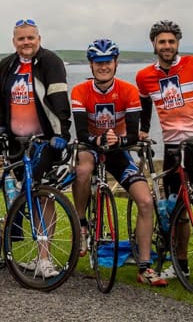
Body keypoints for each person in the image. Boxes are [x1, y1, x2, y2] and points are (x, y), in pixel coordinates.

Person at [70, 39, 166, 287]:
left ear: (116, 63)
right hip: (90, 147)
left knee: (145, 201)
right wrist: (98, 138)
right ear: (91, 65)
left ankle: (145, 267)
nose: (103, 67)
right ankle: (81, 224)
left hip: (118, 150)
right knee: (82, 170)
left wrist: (119, 139)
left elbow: (134, 134)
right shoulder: (80, 91)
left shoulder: (128, 90)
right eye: (98, 63)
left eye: (108, 62)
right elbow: (81, 133)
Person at [135, 20, 193, 291]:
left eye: (171, 41)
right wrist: (143, 131)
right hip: (173, 149)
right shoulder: (144, 76)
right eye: (162, 42)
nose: (167, 46)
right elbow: (144, 106)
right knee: (177, 210)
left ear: (178, 44)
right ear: (154, 45)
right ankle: (181, 262)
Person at [0, 19, 71, 278]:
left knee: (42, 194)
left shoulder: (50, 61)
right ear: (13, 41)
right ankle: (23, 251)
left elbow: (59, 97)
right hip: (17, 142)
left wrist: (61, 134)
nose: (26, 43)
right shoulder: (7, 65)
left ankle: (44, 258)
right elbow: (1, 97)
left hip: (45, 140)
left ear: (39, 38)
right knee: (22, 193)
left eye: (30, 38)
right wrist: (2, 125)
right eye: (21, 39)